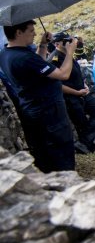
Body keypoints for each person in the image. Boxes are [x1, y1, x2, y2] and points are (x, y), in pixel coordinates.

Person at [0, 20, 78, 171]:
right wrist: (70, 52)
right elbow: (63, 74)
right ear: (18, 32)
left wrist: (42, 45)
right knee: (60, 150)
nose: (35, 33)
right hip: (48, 112)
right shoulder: (24, 57)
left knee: (44, 151)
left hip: (32, 109)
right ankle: (66, 181)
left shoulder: (6, 53)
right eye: (31, 31)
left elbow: (37, 66)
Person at [52, 33, 95, 153]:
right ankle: (88, 146)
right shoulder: (55, 59)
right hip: (71, 97)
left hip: (82, 93)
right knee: (81, 123)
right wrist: (76, 92)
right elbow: (57, 84)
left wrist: (84, 85)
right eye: (66, 41)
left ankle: (84, 143)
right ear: (57, 43)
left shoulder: (69, 55)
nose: (69, 43)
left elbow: (76, 73)